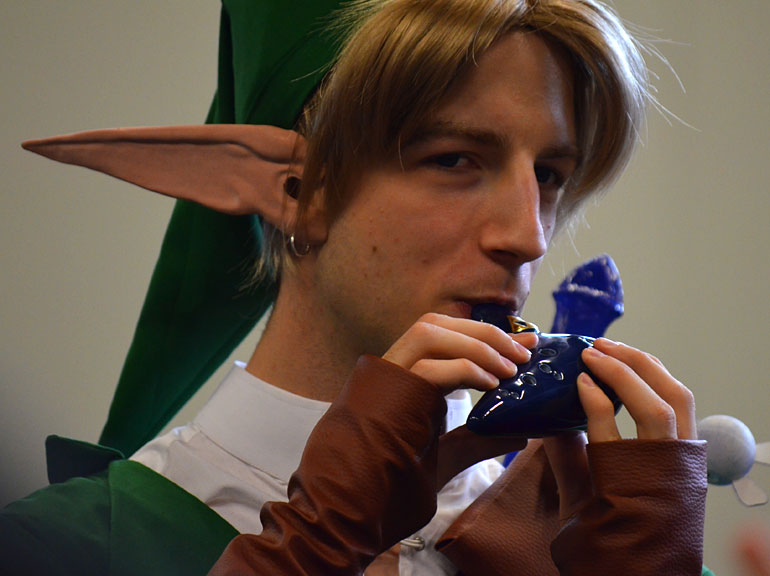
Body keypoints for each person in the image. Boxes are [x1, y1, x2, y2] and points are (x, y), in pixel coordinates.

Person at [1, 0, 711, 574]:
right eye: (455, 159)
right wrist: (314, 544)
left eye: (549, 175)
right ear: (299, 192)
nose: (528, 236)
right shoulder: (65, 548)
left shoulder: (596, 541)